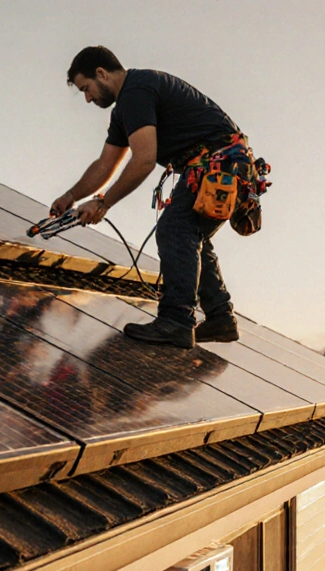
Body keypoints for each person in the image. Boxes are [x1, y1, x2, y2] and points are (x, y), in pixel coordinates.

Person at [51, 46, 245, 350]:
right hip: (220, 164)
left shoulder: (137, 91)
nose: (87, 98)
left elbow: (143, 160)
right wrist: (71, 196)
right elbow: (106, 164)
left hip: (217, 162)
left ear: (101, 73)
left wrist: (103, 203)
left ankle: (177, 321)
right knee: (191, 234)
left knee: (176, 229)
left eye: (86, 88)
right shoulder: (125, 108)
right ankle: (220, 318)